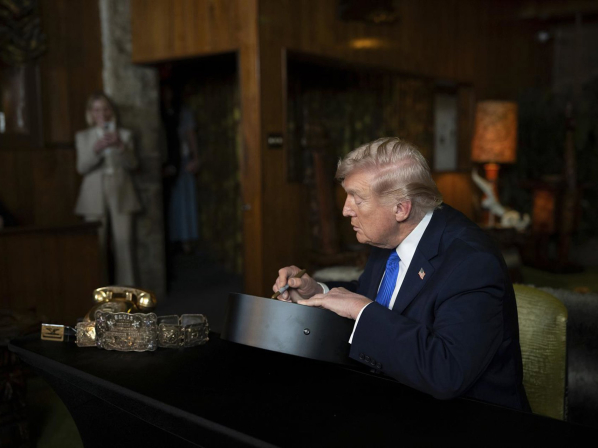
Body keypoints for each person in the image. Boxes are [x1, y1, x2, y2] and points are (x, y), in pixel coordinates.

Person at [273, 137, 530, 411]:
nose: (346, 210)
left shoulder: (472, 263)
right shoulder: (389, 235)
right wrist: (318, 291)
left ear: (400, 208)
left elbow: (447, 372)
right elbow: (378, 296)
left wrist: (362, 310)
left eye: (357, 199)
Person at [74, 91, 141, 286]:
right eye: (96, 110)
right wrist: (96, 150)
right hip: (94, 193)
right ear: (90, 113)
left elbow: (134, 164)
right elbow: (81, 168)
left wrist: (121, 147)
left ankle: (127, 295)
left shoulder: (125, 135)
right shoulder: (83, 137)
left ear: (111, 111)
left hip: (121, 191)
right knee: (97, 246)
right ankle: (98, 294)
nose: (101, 113)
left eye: (105, 109)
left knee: (124, 244)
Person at [163, 84, 200, 254]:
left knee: (184, 202)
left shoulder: (182, 112)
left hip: (183, 161)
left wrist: (195, 157)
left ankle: (186, 241)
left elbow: (190, 136)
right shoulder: (161, 112)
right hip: (167, 162)